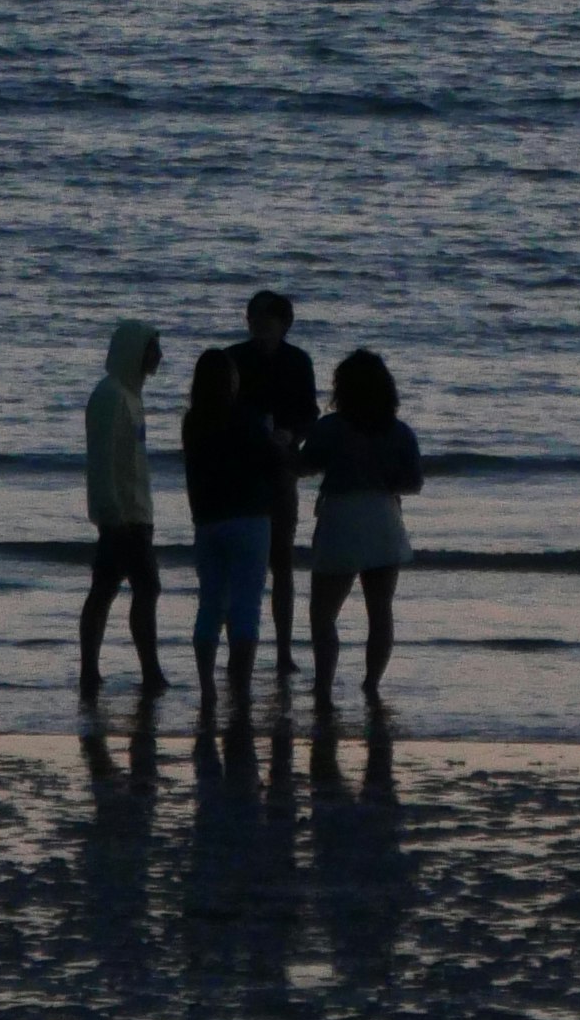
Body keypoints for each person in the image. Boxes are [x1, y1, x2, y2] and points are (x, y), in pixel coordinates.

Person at [300, 343, 425, 709]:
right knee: (380, 610)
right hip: (384, 518)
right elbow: (414, 483)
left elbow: (305, 465)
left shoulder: (332, 427)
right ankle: (371, 684)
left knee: (323, 615)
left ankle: (324, 687)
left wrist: (282, 446)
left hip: (342, 517)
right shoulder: (400, 432)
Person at [179, 343, 272, 720]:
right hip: (249, 517)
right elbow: (268, 462)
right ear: (231, 382)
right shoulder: (248, 419)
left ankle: (207, 686)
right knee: (246, 605)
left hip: (208, 518)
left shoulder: (193, 421)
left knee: (210, 604)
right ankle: (242, 686)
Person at [78, 318, 167, 699]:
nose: (159, 356)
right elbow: (101, 461)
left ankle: (93, 671)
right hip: (123, 516)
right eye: (152, 347)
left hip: (134, 512)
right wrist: (112, 514)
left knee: (106, 588)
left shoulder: (130, 395)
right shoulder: (111, 396)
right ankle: (148, 671)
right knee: (144, 587)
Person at [227, 288, 319, 656]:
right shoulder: (233, 359)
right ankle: (239, 646)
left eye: (267, 318)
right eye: (253, 318)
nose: (259, 325)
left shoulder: (298, 361)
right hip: (241, 468)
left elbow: (310, 413)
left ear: (285, 324)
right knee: (242, 561)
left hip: (282, 465)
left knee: (281, 559)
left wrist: (291, 433)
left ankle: (283, 650)